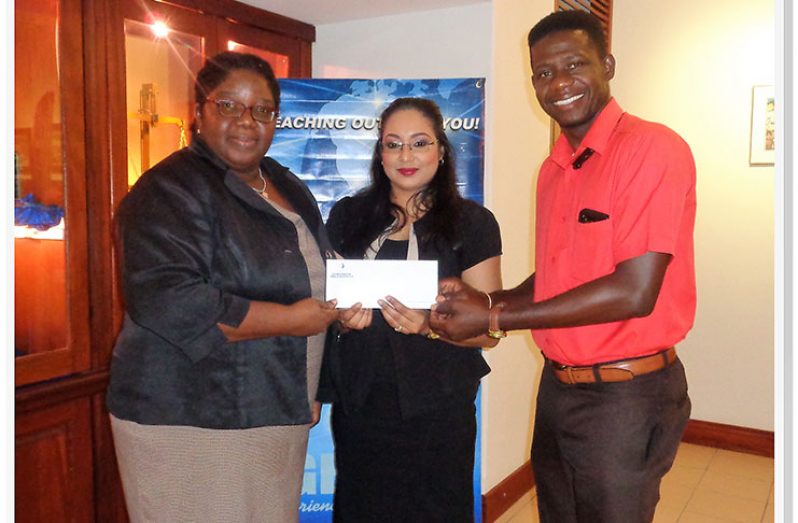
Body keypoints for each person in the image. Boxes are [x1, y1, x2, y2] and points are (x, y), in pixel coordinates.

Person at [430, 11, 696, 523]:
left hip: (625, 396)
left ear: (607, 65)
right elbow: (557, 280)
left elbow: (634, 290)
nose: (559, 84)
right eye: (544, 73)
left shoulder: (650, 148)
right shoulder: (554, 169)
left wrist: (493, 318)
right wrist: (487, 300)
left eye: (575, 65)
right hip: (558, 388)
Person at [106, 51, 340, 522]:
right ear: (199, 111)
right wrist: (291, 320)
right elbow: (170, 300)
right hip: (191, 414)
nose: (247, 121)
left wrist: (317, 377)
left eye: (262, 110)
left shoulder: (287, 185)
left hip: (277, 404)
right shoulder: (166, 190)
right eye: (229, 105)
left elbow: (317, 272)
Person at [319, 97, 503, 522]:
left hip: (439, 408)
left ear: (441, 151)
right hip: (362, 406)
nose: (406, 156)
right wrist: (341, 320)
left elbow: (490, 331)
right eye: (393, 144)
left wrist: (428, 326)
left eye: (419, 143)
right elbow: (325, 302)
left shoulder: (473, 223)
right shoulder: (347, 215)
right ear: (380, 154)